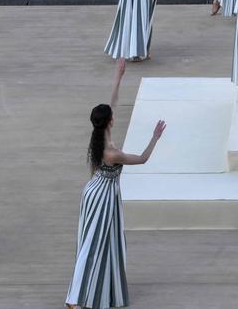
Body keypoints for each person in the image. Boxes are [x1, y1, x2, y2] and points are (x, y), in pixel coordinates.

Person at [66, 60, 167, 309]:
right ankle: (74, 299)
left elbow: (112, 103)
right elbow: (142, 159)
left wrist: (118, 77)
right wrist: (154, 138)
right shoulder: (111, 153)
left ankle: (102, 291)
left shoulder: (100, 135)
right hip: (102, 196)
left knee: (103, 241)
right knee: (92, 244)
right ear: (109, 121)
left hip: (100, 192)